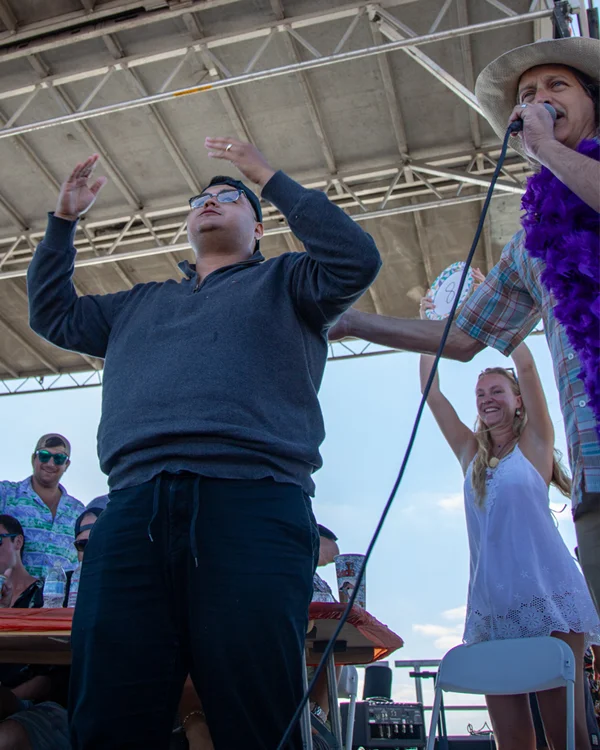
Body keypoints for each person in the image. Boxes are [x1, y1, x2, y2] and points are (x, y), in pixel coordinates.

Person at [26, 137, 381, 749]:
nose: (210, 201)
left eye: (228, 197)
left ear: (260, 227)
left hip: (253, 502)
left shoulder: (290, 280)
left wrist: (267, 176)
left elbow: (356, 259)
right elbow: (52, 313)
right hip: (133, 508)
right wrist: (63, 222)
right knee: (110, 709)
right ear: (187, 227)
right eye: (200, 199)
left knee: (257, 709)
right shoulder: (141, 301)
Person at [328, 36, 600, 612]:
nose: (538, 99)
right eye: (527, 94)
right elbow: (462, 337)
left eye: (557, 86)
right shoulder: (532, 243)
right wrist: (356, 321)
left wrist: (547, 147)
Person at [419, 288, 600, 749]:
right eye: (480, 394)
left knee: (567, 736)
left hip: (549, 597)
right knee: (512, 741)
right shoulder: (470, 454)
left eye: (495, 390)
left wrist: (493, 305)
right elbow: (431, 393)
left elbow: (528, 366)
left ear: (518, 401)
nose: (486, 398)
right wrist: (432, 328)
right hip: (492, 607)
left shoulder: (535, 443)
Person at [0, 515, 69, 750]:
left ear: (17, 542)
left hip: (36, 706)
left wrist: (9, 699)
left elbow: (49, 677)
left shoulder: (47, 594)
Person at [0, 434, 83, 579]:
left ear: (67, 464)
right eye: (44, 456)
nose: (50, 463)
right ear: (34, 459)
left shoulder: (78, 511)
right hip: (9, 598)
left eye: (59, 458)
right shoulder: (6, 494)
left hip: (58, 600)